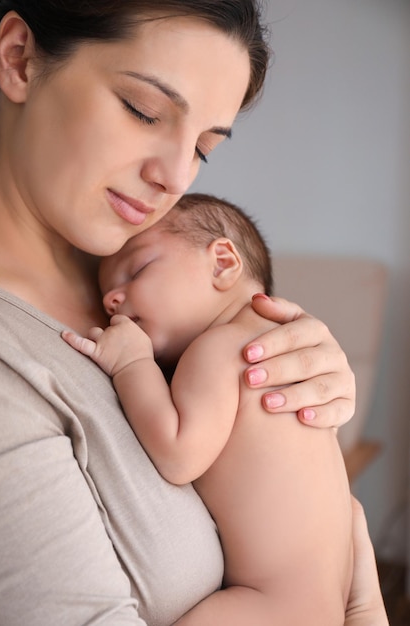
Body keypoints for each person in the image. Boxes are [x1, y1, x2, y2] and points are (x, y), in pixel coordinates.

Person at [0, 1, 385, 624]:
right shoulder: (10, 366)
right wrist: (363, 609)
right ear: (19, 58)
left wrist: (312, 377)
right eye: (144, 111)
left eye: (204, 147)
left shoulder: (155, 291)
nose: (175, 175)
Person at [63, 192, 355, 623]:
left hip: (264, 604)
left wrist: (132, 363)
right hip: (325, 599)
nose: (112, 301)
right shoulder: (269, 340)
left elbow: (179, 455)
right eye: (108, 292)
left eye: (138, 270)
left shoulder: (220, 346)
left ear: (222, 262)